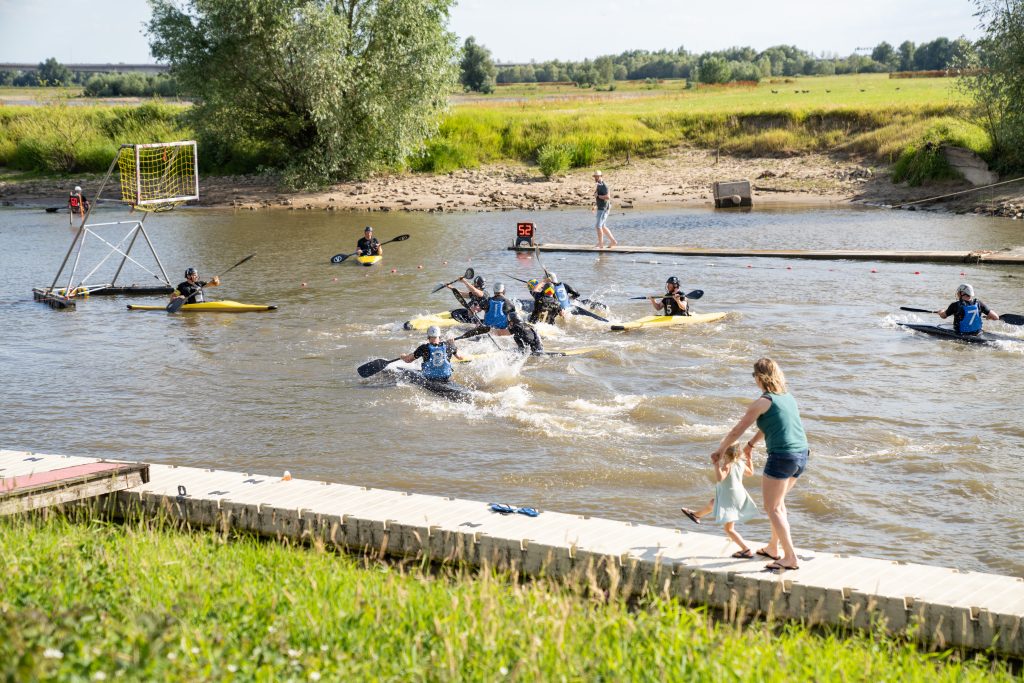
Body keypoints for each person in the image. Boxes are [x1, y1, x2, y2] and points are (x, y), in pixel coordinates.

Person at [711, 358, 808, 572]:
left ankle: (790, 558)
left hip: (782, 457)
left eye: (753, 376)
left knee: (772, 508)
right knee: (779, 505)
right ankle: (773, 548)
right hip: (801, 455)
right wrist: (751, 445)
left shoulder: (763, 401)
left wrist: (720, 450)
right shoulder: (787, 398)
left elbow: (738, 429)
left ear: (759, 377)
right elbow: (772, 425)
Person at [680, 442, 758, 558]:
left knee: (729, 529)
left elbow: (720, 478)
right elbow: (750, 473)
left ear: (724, 454)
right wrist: (749, 459)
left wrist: (716, 465)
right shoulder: (740, 463)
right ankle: (696, 515)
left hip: (730, 497)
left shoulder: (727, 466)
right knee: (713, 502)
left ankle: (746, 550)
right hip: (738, 495)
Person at [471, 283, 544, 353]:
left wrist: (474, 312)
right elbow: (513, 316)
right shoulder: (509, 303)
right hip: (503, 330)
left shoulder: (487, 301)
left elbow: (474, 310)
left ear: (494, 291)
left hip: (488, 328)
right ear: (503, 291)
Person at [401, 326, 465, 381]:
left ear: (428, 336)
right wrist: (453, 344)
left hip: (429, 377)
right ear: (439, 336)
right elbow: (461, 357)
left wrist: (403, 356)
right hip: (445, 377)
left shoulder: (423, 348)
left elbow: (408, 360)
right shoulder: (449, 345)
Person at [592, 170, 617, 249]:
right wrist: (595, 205)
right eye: (595, 176)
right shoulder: (599, 185)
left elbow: (608, 197)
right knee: (602, 226)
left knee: (598, 226)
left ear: (601, 176)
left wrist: (598, 196)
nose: (595, 178)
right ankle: (613, 241)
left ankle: (601, 244)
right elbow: (597, 196)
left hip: (604, 209)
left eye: (597, 176)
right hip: (600, 208)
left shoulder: (604, 185)